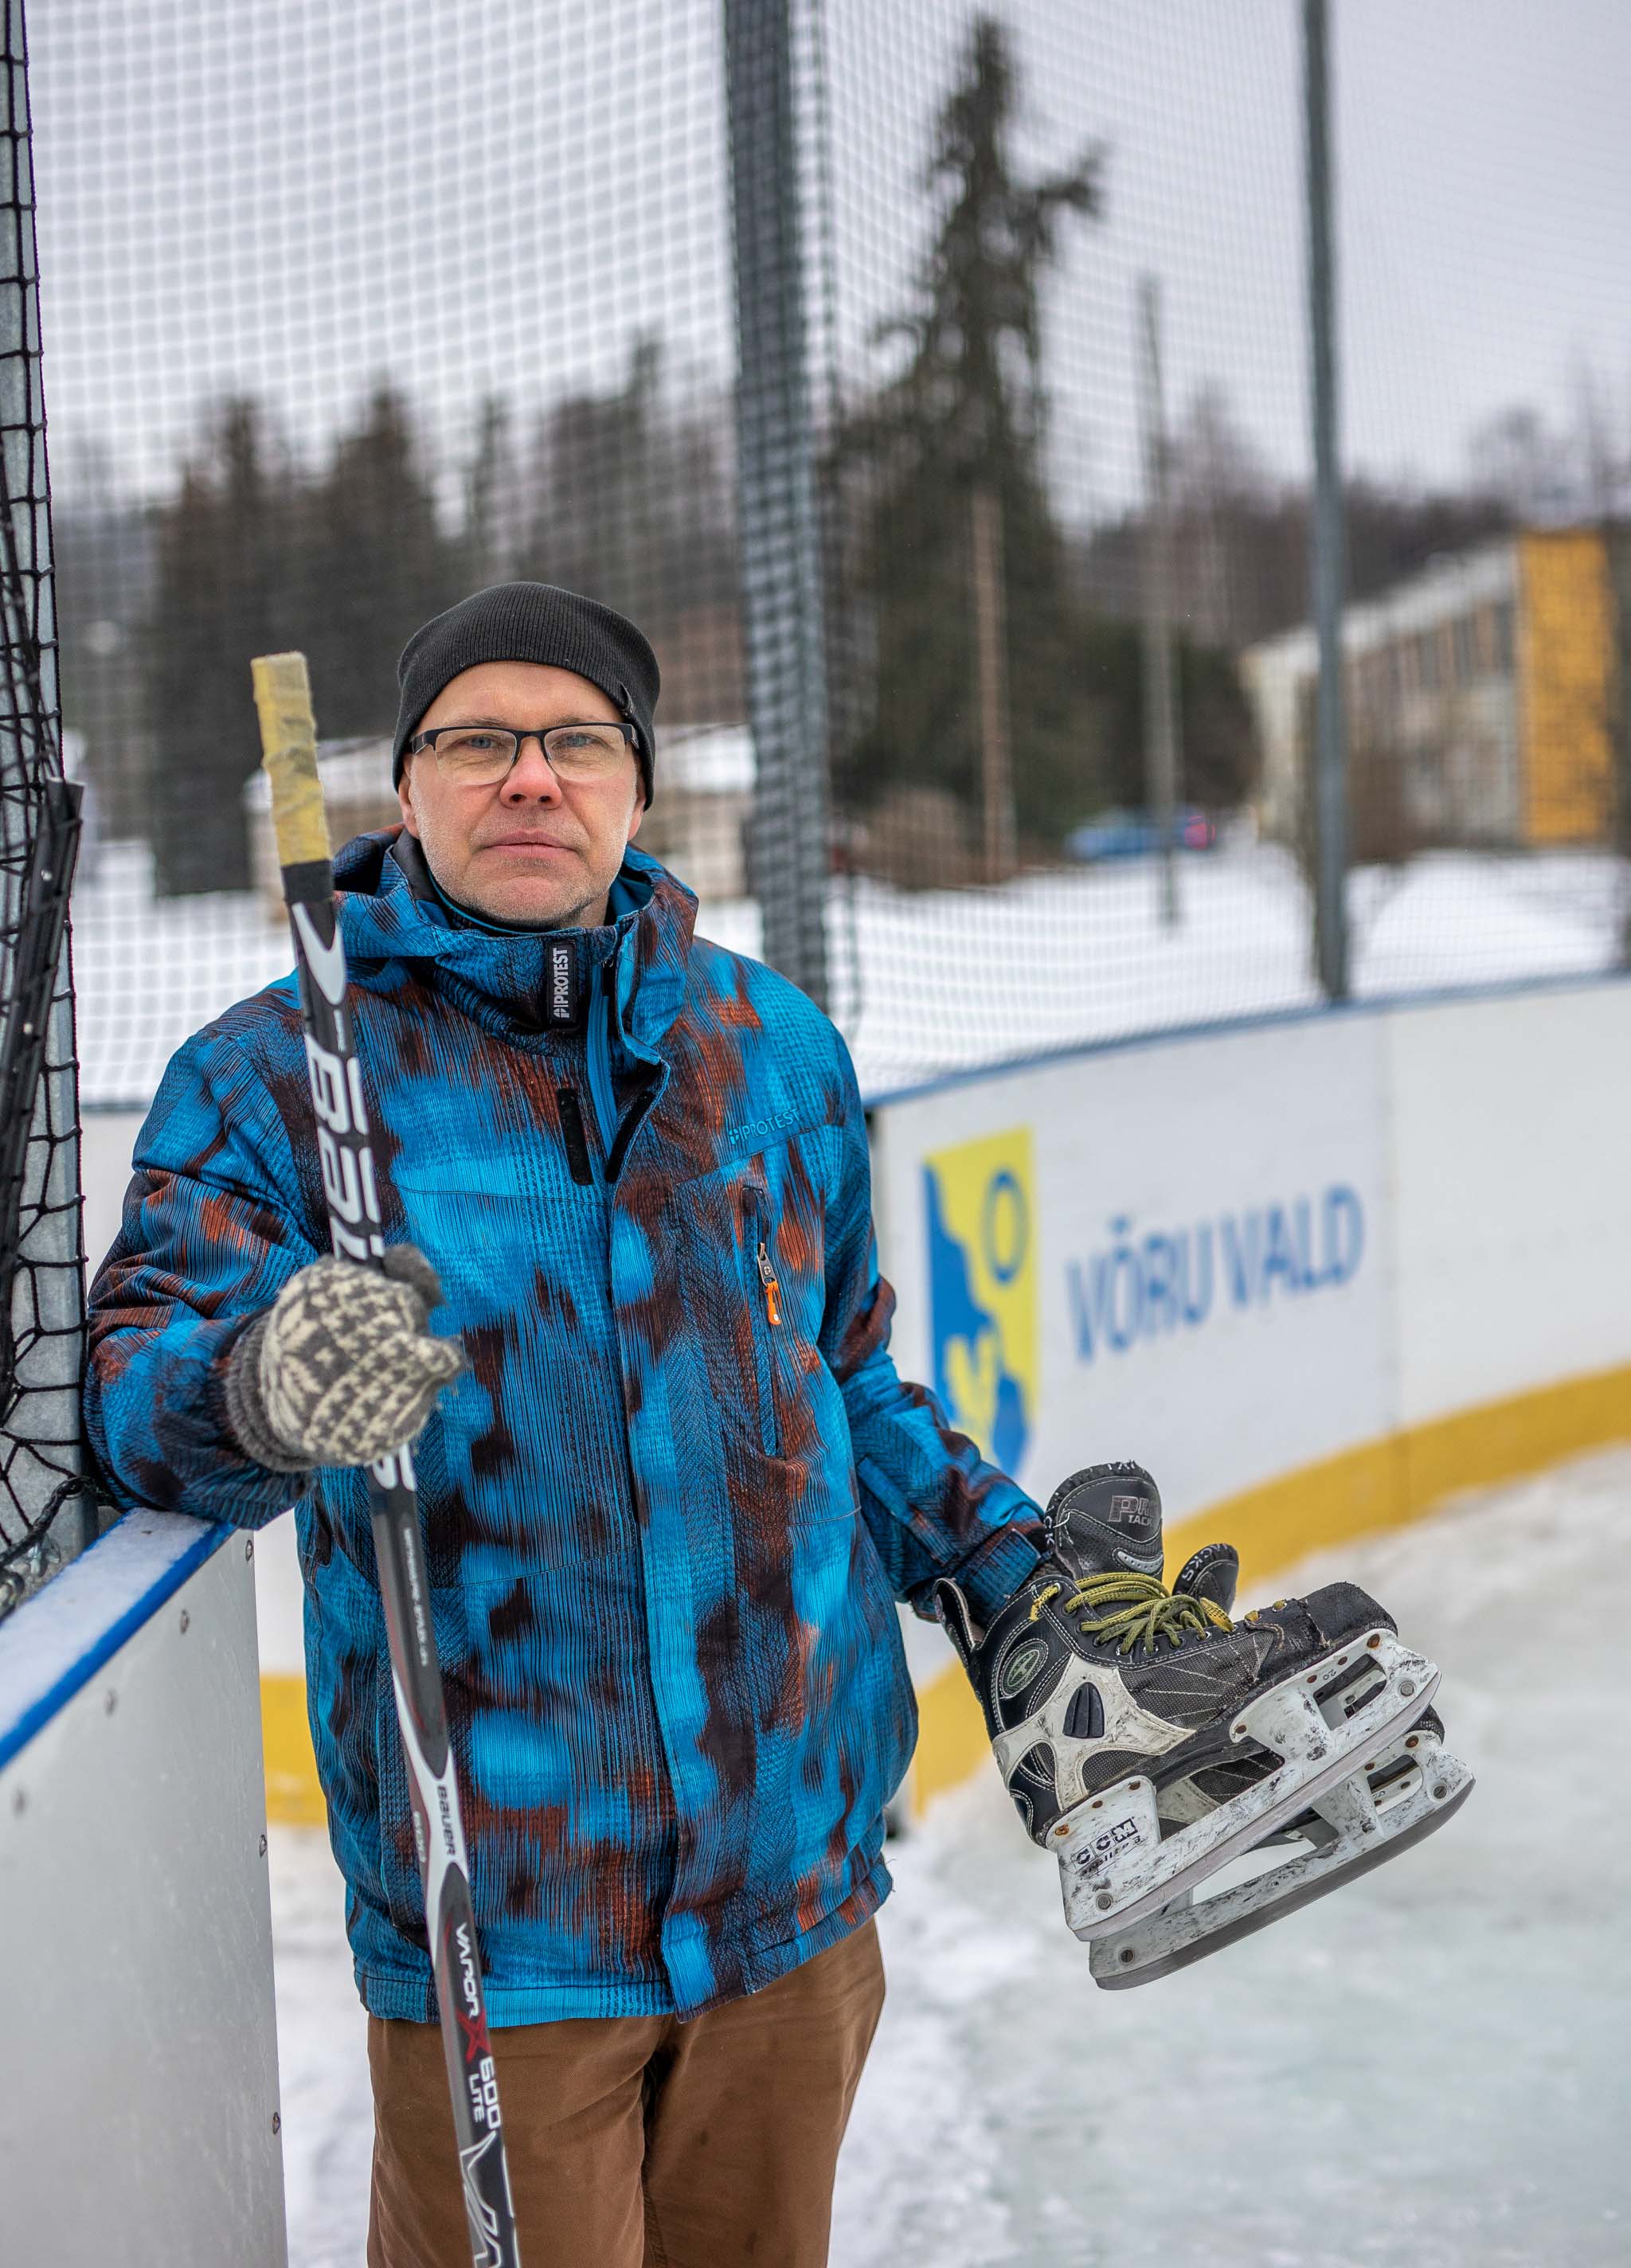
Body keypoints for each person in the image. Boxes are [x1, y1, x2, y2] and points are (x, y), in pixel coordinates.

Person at [84, 582, 1050, 2268]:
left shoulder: (771, 1050)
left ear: (635, 786)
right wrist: (259, 1382)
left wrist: (1015, 1573)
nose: (529, 776)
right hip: (504, 1934)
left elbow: (848, 1383)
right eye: (477, 740)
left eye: (575, 739)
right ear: (406, 790)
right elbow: (134, 1388)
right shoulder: (277, 1077)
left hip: (794, 1906)